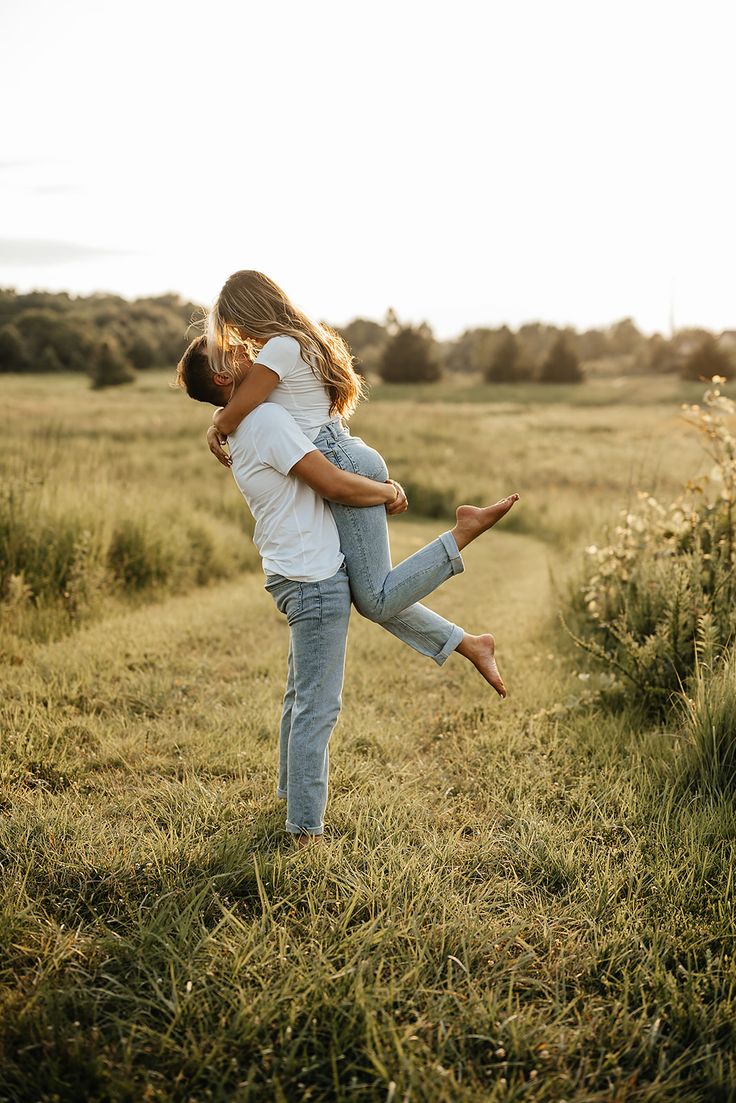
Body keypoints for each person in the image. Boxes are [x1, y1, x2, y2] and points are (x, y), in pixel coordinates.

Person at [176, 337, 515, 845]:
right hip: (314, 580)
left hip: (291, 573)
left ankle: (292, 800)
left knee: (301, 696)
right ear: (223, 378)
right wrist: (387, 492)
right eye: (234, 353)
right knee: (318, 703)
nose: (248, 353)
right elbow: (332, 483)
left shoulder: (249, 424)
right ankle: (305, 830)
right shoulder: (264, 421)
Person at [203, 270, 519, 691]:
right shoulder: (307, 340)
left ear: (248, 311)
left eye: (234, 324)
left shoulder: (279, 348)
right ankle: (469, 643)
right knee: (370, 591)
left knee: (376, 597)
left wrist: (216, 423)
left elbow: (240, 406)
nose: (236, 335)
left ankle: (462, 533)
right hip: (344, 450)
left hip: (339, 461)